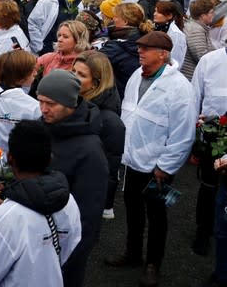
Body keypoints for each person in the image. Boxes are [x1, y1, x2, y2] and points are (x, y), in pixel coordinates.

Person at [106, 31, 196, 287]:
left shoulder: (179, 87)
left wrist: (166, 166)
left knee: (157, 216)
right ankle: (132, 253)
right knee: (133, 209)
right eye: (139, 48)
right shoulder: (137, 75)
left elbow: (183, 132)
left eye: (146, 49)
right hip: (133, 158)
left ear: (163, 54)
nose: (139, 52)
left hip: (158, 165)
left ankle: (153, 264)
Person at [0, 121, 82, 287]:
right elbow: (68, 247)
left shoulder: (7, 217)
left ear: (10, 158)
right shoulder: (68, 201)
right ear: (49, 159)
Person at [37, 70, 109, 287]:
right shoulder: (45, 126)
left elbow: (88, 213)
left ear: (70, 104)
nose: (43, 109)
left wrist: (71, 255)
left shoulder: (90, 151)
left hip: (64, 246)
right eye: (40, 102)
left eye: (50, 103)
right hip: (37, 236)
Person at [72, 51, 125, 220]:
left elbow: (109, 169)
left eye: (81, 75)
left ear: (96, 83)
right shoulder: (74, 102)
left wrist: (103, 203)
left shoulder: (109, 121)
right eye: (73, 71)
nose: (73, 77)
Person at [192, 47, 227, 259]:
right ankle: (203, 231)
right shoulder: (209, 61)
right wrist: (194, 140)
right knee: (208, 186)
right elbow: (195, 98)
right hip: (214, 137)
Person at [0, 49, 41, 155]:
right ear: (21, 76)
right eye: (32, 70)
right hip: (18, 164)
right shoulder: (34, 107)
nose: (35, 73)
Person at [99, 2, 153, 98]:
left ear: (125, 21)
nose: (113, 19)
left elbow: (92, 62)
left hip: (119, 95)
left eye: (115, 16)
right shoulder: (145, 37)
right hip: (136, 93)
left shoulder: (117, 46)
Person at [182, 0, 216, 80]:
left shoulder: (198, 27)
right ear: (203, 16)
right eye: (211, 12)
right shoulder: (196, 30)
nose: (213, 15)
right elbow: (202, 56)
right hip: (192, 76)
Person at [152, 0, 187, 67]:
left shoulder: (176, 34)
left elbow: (176, 59)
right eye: (155, 11)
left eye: (159, 12)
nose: (154, 14)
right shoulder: (157, 28)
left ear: (169, 16)